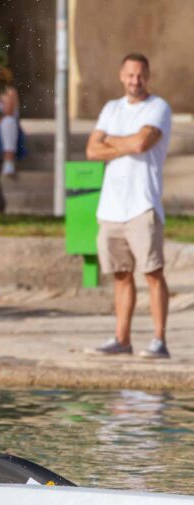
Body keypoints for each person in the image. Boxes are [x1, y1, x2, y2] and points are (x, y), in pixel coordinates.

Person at [85, 53, 172, 360]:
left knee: (152, 272)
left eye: (141, 75)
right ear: (121, 76)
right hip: (111, 208)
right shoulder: (111, 108)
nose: (136, 81)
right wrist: (126, 141)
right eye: (130, 75)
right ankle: (122, 338)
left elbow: (141, 144)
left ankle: (159, 340)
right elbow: (92, 150)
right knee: (121, 274)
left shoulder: (158, 107)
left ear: (148, 76)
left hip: (142, 203)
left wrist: (113, 143)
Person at [0, 64, 22, 177]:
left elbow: (8, 111)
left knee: (8, 122)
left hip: (5, 124)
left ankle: (9, 162)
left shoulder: (10, 92)